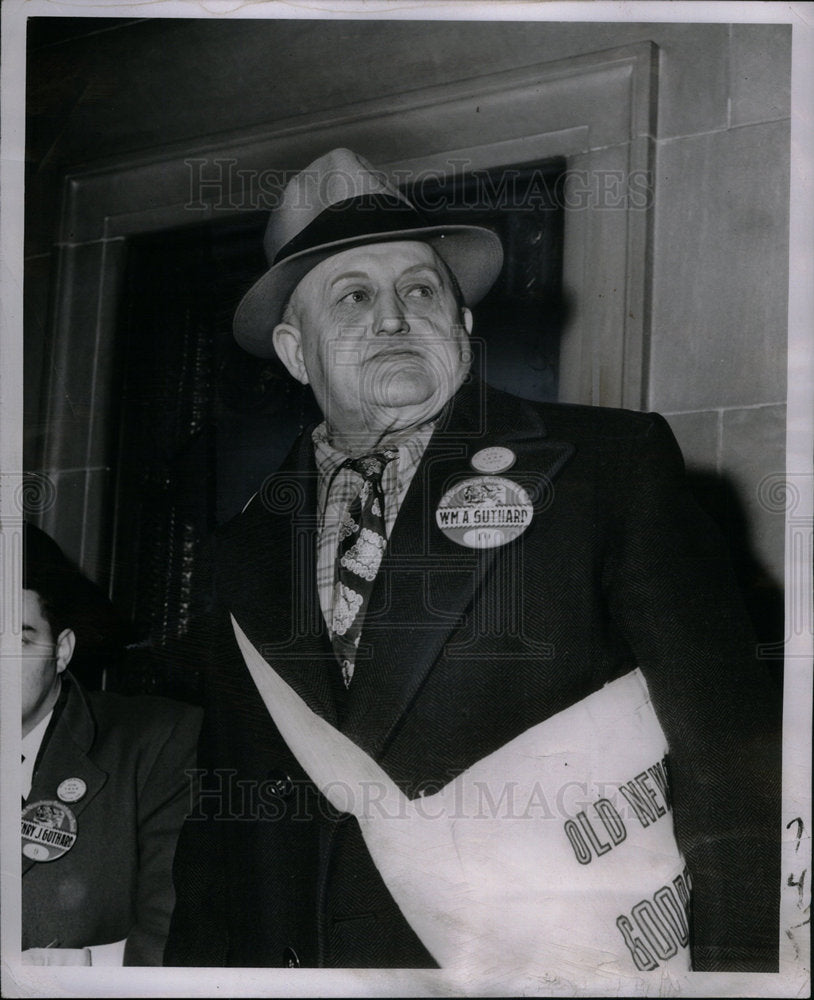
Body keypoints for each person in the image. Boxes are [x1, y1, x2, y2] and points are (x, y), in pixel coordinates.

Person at [164, 149, 780, 980]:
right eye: (352, 297)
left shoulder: (605, 467)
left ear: (462, 324)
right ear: (294, 351)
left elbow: (733, 761)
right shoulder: (242, 547)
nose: (393, 317)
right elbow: (217, 850)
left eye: (419, 289)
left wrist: (738, 977)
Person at [21, 522, 202, 966]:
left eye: (17, 639)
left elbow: (180, 936)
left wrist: (77, 969)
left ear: (60, 650)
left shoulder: (154, 743)